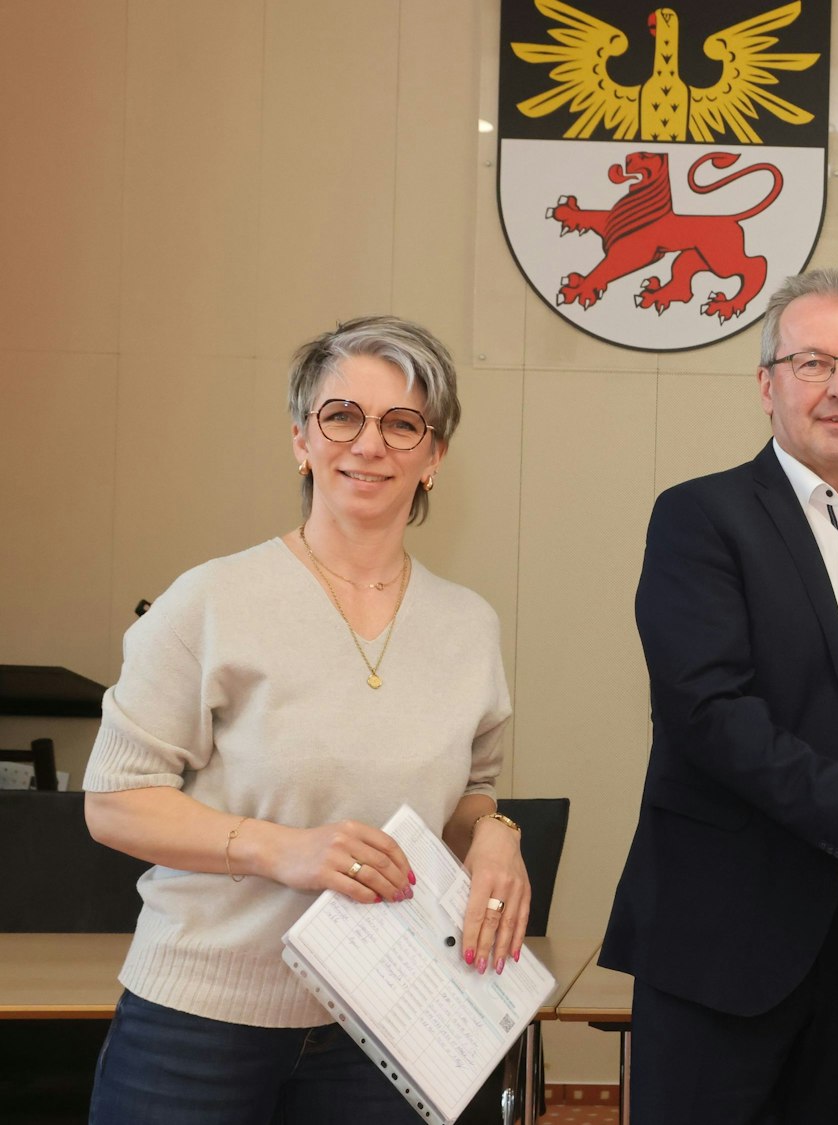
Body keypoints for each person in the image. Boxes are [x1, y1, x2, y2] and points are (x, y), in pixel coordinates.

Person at [82, 316, 523, 1123]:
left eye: (403, 424)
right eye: (341, 415)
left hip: (387, 1017)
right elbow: (113, 800)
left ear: (435, 457)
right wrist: (283, 850)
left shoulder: (470, 625)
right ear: (300, 439)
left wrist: (496, 832)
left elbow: (470, 793)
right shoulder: (210, 599)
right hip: (199, 1023)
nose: (370, 444)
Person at [600, 267, 838, 1124]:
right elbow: (711, 715)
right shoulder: (700, 518)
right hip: (723, 935)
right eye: (814, 363)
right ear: (766, 383)